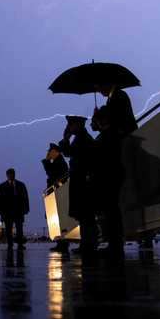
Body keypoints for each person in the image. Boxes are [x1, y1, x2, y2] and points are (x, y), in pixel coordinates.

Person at [57, 116, 98, 255]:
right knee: (84, 214)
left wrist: (65, 138)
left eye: (71, 125)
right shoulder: (82, 138)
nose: (69, 127)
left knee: (85, 214)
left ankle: (89, 244)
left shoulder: (82, 139)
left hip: (82, 180)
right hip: (81, 179)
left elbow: (69, 152)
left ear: (77, 125)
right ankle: (87, 243)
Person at [92, 107, 125, 257]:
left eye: (98, 120)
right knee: (111, 211)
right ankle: (115, 243)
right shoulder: (111, 134)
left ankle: (115, 244)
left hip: (108, 176)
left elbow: (103, 157)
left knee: (111, 211)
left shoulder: (108, 135)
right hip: (112, 175)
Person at [0, 169, 29, 249]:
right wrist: (0, 211)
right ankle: (10, 244)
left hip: (18, 211)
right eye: (10, 174)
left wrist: (26, 209)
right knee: (8, 229)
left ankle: (20, 244)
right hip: (7, 212)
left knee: (19, 229)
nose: (11, 175)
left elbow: (25, 198)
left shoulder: (21, 185)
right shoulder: (2, 186)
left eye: (12, 174)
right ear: (7, 175)